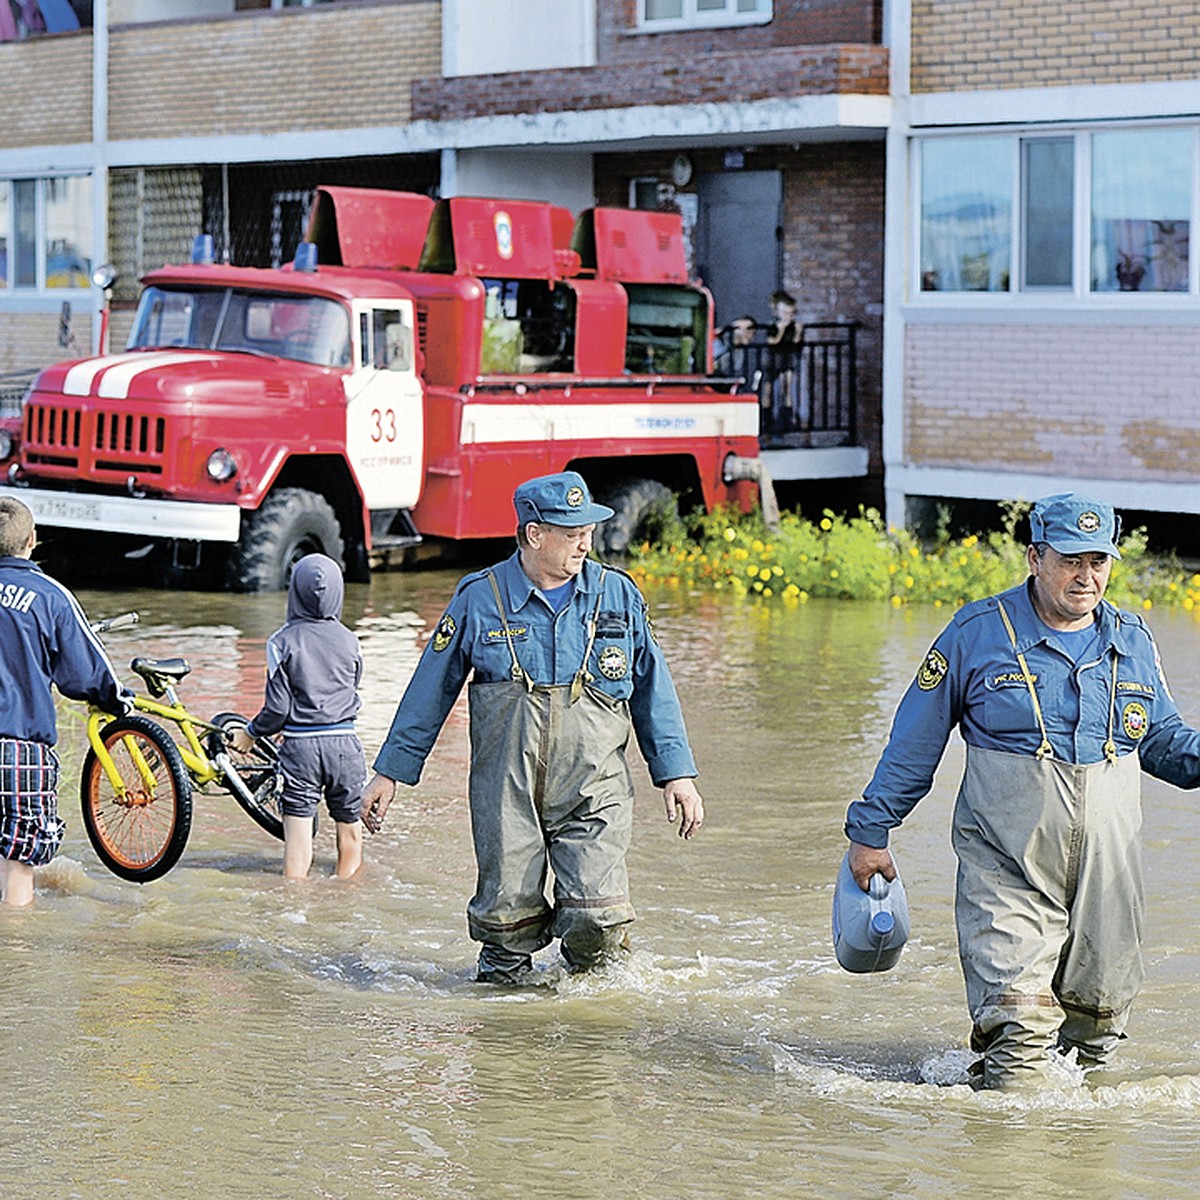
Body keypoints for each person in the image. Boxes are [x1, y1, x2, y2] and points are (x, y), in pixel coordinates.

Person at [843, 493, 1200, 1090]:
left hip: (1106, 876)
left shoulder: (1133, 640)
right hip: (1005, 866)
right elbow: (915, 742)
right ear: (1035, 557)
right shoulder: (976, 634)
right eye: (1070, 561)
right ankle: (1001, 1170)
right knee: (1019, 1030)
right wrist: (870, 831)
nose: (1086, 578)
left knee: (1096, 1028)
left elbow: (1162, 740)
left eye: (1099, 562)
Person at [361, 470, 705, 983]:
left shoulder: (618, 596)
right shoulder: (480, 598)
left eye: (588, 530)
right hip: (507, 795)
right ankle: (509, 1045)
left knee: (599, 921)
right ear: (534, 534)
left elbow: (654, 687)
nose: (585, 542)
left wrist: (676, 774)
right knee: (505, 932)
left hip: (595, 790)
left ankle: (587, 1033)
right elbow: (429, 691)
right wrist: (389, 773)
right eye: (572, 533)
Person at [0, 497, 131, 907]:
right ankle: (18, 959)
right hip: (20, 746)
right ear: (32, 541)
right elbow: (86, 671)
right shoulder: (50, 595)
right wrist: (117, 701)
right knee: (19, 864)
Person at [231, 553, 366, 881]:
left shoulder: (281, 642)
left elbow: (277, 710)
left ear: (294, 592)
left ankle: (295, 915)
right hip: (346, 746)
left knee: (298, 844)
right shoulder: (351, 641)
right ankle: (345, 906)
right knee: (350, 836)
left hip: (302, 750)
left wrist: (249, 733)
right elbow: (353, 688)